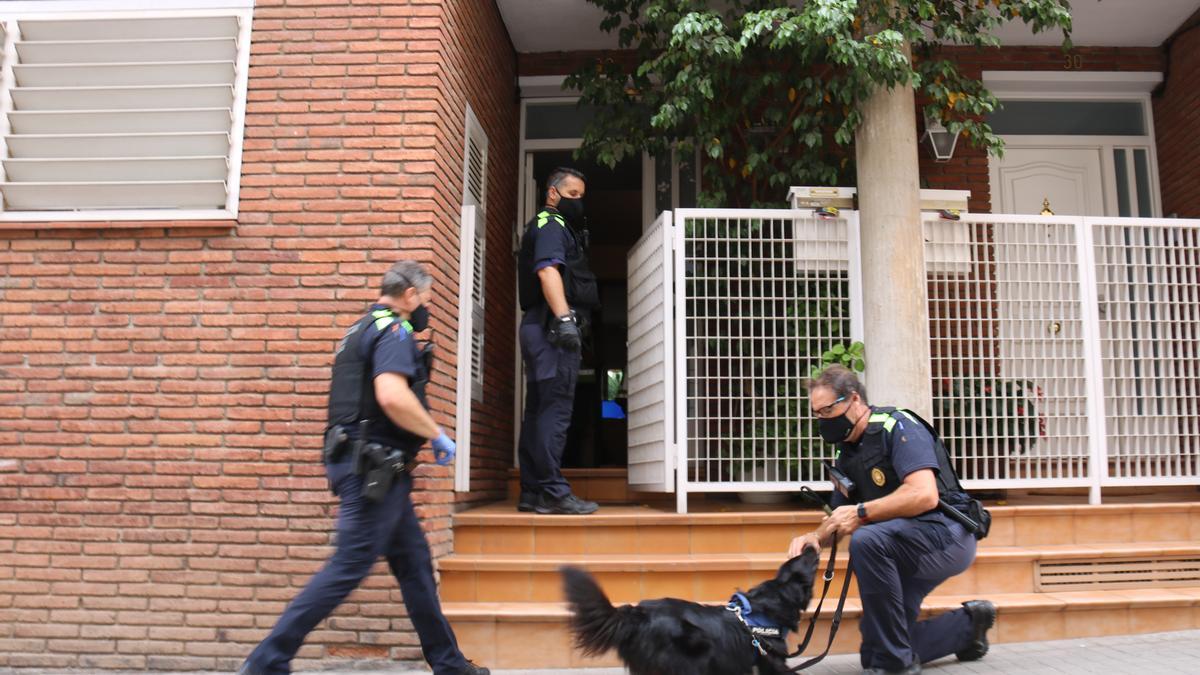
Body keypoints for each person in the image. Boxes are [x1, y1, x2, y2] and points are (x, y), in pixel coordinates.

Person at [240, 261, 488, 675]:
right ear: (410, 294)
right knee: (349, 565)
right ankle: (267, 659)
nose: (425, 307)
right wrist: (436, 433)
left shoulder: (358, 329)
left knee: (414, 566)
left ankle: (450, 665)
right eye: (424, 299)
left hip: (368, 466)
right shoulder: (395, 330)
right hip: (374, 470)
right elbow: (390, 395)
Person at [787, 365, 995, 675]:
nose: (823, 420)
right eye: (816, 414)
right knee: (876, 648)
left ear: (854, 399)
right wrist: (815, 537)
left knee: (867, 540)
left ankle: (896, 666)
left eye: (828, 410)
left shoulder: (897, 426)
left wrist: (861, 512)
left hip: (947, 535)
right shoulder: (847, 454)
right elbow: (839, 516)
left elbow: (924, 496)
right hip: (902, 544)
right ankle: (968, 625)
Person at [515, 167, 601, 515]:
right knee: (555, 411)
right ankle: (552, 491)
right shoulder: (552, 225)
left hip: (539, 327)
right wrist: (565, 320)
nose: (578, 203)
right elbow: (548, 270)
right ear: (553, 194)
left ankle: (533, 491)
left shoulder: (544, 225)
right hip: (552, 330)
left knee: (538, 410)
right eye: (573, 195)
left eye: (582, 196)